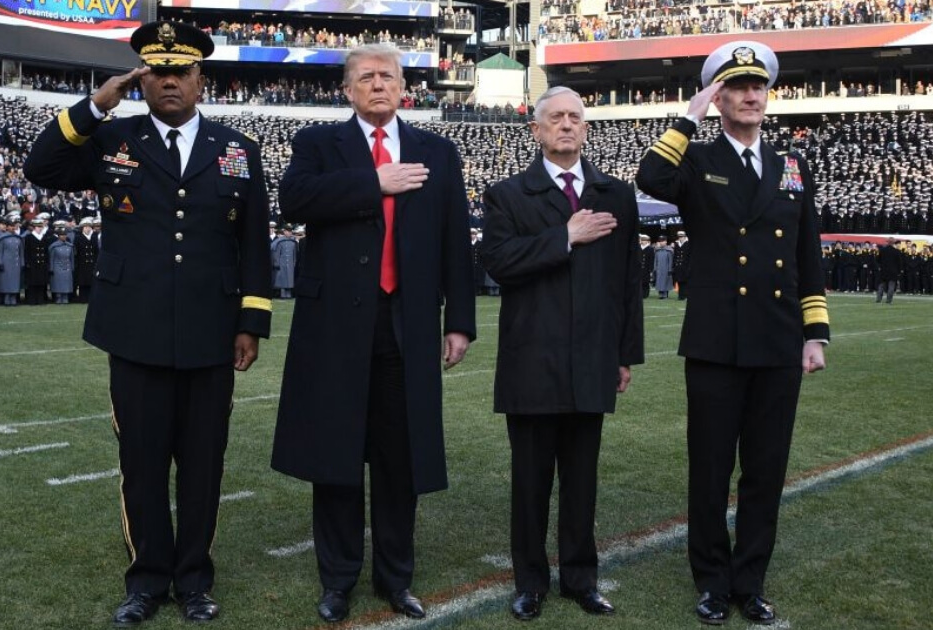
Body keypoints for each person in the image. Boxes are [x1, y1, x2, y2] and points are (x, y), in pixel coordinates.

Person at [23, 20, 273, 625]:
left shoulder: (239, 148)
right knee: (141, 462)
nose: (168, 82)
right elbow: (42, 168)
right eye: (156, 72)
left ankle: (194, 582)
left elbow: (254, 246)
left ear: (199, 79)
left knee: (203, 464)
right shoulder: (114, 139)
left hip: (212, 332)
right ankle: (146, 581)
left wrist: (251, 322)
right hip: (133, 330)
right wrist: (94, 106)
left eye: (180, 72)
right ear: (142, 79)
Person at [270, 43, 476, 624]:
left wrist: (459, 320)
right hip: (335, 325)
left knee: (399, 458)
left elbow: (455, 239)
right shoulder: (318, 144)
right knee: (335, 454)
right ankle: (337, 581)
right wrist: (373, 182)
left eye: (387, 75)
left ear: (404, 84)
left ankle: (396, 578)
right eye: (366, 77)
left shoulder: (438, 150)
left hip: (405, 324)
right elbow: (294, 199)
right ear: (347, 89)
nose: (378, 84)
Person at [636, 40, 830, 626]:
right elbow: (650, 178)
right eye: (736, 87)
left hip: (775, 340)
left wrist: (814, 332)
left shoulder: (791, 167)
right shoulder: (696, 159)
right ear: (717, 97)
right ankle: (712, 583)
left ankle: (751, 582)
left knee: (766, 469)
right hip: (717, 339)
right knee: (711, 467)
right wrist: (685, 119)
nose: (750, 95)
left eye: (758, 87)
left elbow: (807, 256)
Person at [479, 85, 644, 621]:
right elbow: (498, 262)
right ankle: (529, 582)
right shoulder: (507, 194)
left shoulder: (615, 194)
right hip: (532, 361)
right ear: (537, 130)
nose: (567, 125)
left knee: (582, 483)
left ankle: (581, 578)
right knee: (530, 485)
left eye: (576, 117)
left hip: (593, 360)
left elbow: (627, 281)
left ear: (586, 129)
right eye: (556, 118)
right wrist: (564, 236)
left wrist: (625, 355)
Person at [875, 237, 902, 304]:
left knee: (881, 285)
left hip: (883, 271)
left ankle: (878, 299)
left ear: (887, 242)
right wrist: (899, 271)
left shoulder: (882, 250)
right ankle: (889, 300)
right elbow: (899, 263)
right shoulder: (897, 251)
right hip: (893, 272)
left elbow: (877, 260)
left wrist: (880, 266)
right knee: (891, 286)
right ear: (893, 243)